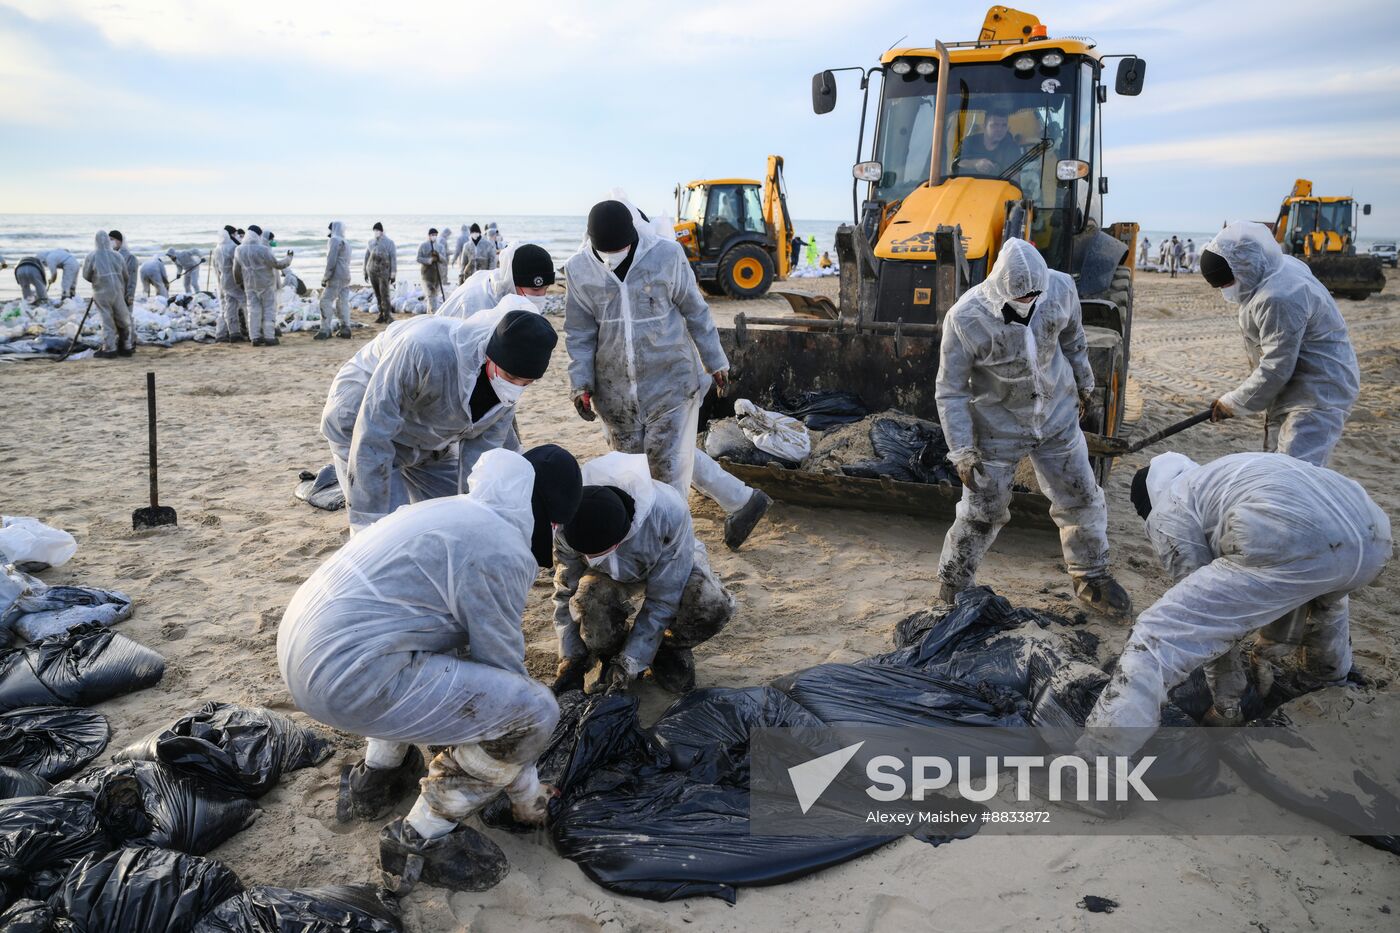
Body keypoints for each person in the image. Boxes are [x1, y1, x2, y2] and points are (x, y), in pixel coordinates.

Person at [278, 446, 583, 893]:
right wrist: (526, 795)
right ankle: (419, 835)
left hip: (303, 650)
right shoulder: (500, 548)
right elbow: (504, 680)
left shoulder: (451, 511)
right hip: (346, 676)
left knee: (418, 651)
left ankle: (376, 777)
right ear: (545, 513)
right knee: (535, 711)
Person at [1080, 452, 1391, 755]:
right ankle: (1325, 684)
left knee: (1157, 636)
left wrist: (1227, 706)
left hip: (1296, 536)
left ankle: (1098, 762)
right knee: (1325, 602)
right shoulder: (1222, 474)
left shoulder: (1169, 506)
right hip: (1372, 537)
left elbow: (1206, 627)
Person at [935, 238, 1130, 616]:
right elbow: (950, 390)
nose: (1027, 303)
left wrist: (1085, 383)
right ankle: (953, 585)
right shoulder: (965, 318)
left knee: (1081, 495)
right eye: (1019, 298)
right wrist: (961, 449)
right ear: (1000, 289)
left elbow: (1074, 338)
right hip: (997, 427)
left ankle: (1092, 575)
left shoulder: (1060, 288)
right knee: (981, 510)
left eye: (1033, 297)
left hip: (1057, 416)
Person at [564, 198, 772, 550]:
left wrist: (716, 362)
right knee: (634, 472)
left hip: (671, 382)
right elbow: (579, 332)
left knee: (666, 470)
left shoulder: (666, 256)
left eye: (621, 248)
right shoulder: (579, 269)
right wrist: (580, 383)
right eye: (606, 251)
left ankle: (671, 553)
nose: (613, 255)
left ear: (634, 237)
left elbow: (696, 311)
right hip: (615, 394)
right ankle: (742, 500)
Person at [321, 297, 557, 533]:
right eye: (511, 377)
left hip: (428, 441)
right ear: (490, 357)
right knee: (388, 529)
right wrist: (369, 523)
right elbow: (373, 431)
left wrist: (480, 513)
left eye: (526, 382)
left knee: (450, 521)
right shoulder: (425, 349)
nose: (515, 386)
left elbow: (481, 458)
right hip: (360, 420)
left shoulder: (506, 395)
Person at [552, 452, 735, 696]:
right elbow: (566, 591)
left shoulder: (668, 512)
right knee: (589, 603)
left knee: (710, 604)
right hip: (605, 575)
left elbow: (663, 598)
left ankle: (665, 649)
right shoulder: (566, 523)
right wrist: (570, 659)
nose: (587, 559)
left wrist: (632, 660)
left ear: (620, 540)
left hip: (666, 559)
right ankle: (610, 653)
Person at [1199, 222, 1360, 466]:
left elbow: (1276, 366)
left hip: (1318, 391)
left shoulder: (1280, 296)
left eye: (1226, 284)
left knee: (1296, 471)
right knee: (1275, 464)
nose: (1225, 292)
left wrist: (1232, 402)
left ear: (1244, 267)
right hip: (1295, 385)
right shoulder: (1275, 268)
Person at [439, 243, 554, 320]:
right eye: (535, 289)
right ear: (513, 282)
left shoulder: (508, 292)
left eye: (546, 288)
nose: (541, 295)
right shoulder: (479, 305)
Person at [234, 223, 293, 346]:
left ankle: (255, 337)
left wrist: (240, 283)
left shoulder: (239, 249)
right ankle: (269, 337)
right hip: (266, 284)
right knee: (269, 310)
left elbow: (236, 270)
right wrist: (289, 258)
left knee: (253, 310)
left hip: (249, 285)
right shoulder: (263, 249)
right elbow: (277, 264)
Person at [80, 229, 132, 358]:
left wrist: (99, 278)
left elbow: (86, 275)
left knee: (107, 320)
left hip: (101, 292)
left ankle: (110, 349)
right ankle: (126, 346)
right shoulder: (117, 256)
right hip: (118, 291)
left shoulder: (91, 256)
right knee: (123, 318)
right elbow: (126, 275)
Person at [954, 104, 1023, 176]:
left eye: (1004, 125)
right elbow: (957, 163)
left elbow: (1015, 176)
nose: (1000, 129)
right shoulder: (970, 142)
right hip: (969, 185)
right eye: (995, 125)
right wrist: (976, 163)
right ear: (984, 126)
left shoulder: (1012, 147)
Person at [317, 220, 353, 340]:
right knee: (342, 301)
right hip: (346, 275)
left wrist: (326, 277)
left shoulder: (334, 240)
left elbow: (331, 261)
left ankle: (325, 330)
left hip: (336, 276)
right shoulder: (346, 242)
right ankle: (345, 328)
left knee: (325, 300)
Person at [212, 225, 247, 342]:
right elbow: (238, 266)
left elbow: (216, 268)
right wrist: (242, 281)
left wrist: (219, 281)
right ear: (231, 234)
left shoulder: (217, 248)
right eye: (235, 234)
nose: (236, 236)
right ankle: (251, 331)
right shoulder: (233, 247)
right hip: (233, 279)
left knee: (230, 305)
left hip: (223, 280)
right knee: (245, 302)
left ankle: (234, 332)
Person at [363, 221, 397, 324]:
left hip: (384, 272)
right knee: (377, 294)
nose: (376, 232)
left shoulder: (389, 243)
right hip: (372, 271)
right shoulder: (370, 243)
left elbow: (393, 258)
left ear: (382, 231)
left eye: (378, 230)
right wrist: (365, 271)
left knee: (384, 294)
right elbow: (366, 257)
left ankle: (388, 315)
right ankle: (381, 314)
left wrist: (393, 274)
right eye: (375, 230)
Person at [417, 228, 445, 313]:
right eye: (432, 235)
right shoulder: (423, 246)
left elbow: (445, 260)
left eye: (435, 235)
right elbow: (418, 258)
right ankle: (433, 314)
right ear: (429, 236)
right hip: (426, 275)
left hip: (437, 275)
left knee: (434, 296)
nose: (434, 237)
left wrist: (438, 256)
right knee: (430, 294)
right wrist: (429, 260)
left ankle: (429, 314)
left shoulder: (440, 246)